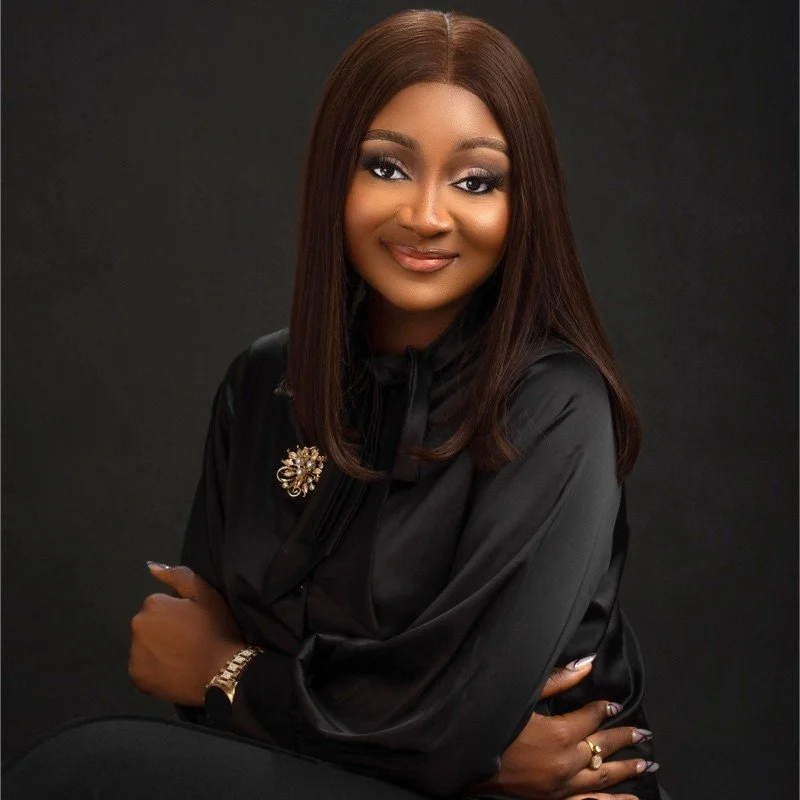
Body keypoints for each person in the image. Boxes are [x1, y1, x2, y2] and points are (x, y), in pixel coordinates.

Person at [2, 9, 665, 800]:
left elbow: (449, 726)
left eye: (476, 181)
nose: (426, 214)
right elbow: (214, 709)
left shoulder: (558, 408)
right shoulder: (262, 385)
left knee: (82, 775)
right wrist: (462, 758)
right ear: (332, 178)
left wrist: (225, 667)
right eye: (386, 168)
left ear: (523, 206)